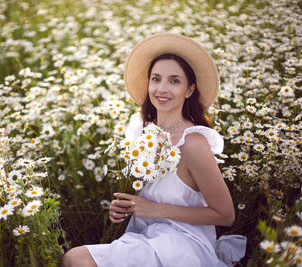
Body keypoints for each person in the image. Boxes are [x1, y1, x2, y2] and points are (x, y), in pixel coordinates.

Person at [62, 32, 246, 267]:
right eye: (156, 79)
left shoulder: (193, 143)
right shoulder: (142, 129)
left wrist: (156, 209)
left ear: (189, 90)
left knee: (75, 259)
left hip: (183, 244)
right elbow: (149, 192)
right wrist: (126, 207)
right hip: (144, 234)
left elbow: (225, 215)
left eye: (174, 81)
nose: (162, 88)